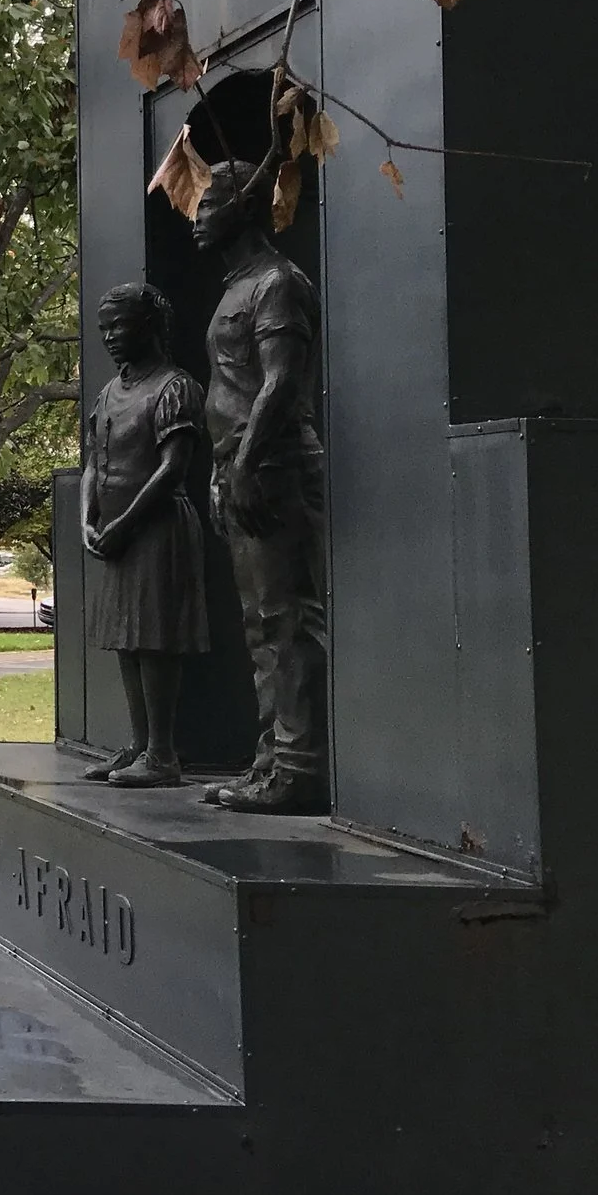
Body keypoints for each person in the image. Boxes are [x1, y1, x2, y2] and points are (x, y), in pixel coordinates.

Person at [193, 158, 329, 814]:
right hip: (241, 464)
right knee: (259, 625)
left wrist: (244, 462)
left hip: (271, 466)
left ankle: (299, 767)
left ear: (245, 205)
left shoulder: (277, 283)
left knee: (286, 619)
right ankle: (272, 759)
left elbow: (279, 382)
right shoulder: (237, 285)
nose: (196, 214)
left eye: (209, 202)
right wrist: (225, 467)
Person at [81, 282, 210, 787]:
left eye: (119, 325)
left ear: (150, 326)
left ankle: (162, 753)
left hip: (157, 528)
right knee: (127, 641)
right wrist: (87, 520)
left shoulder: (174, 387)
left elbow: (173, 468)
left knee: (155, 639)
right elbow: (94, 460)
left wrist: (124, 524)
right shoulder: (109, 392)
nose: (110, 337)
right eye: (104, 328)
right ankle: (138, 745)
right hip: (118, 533)